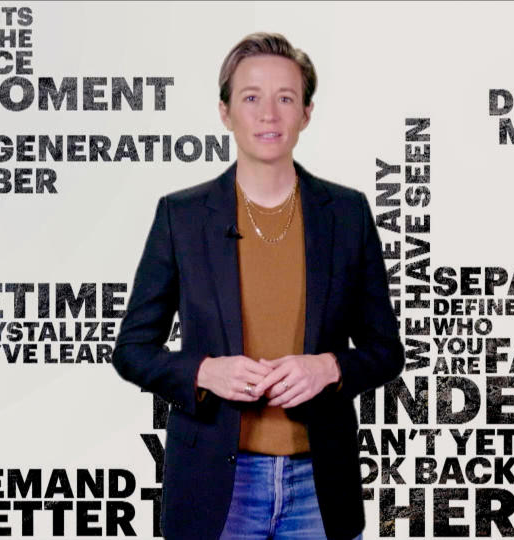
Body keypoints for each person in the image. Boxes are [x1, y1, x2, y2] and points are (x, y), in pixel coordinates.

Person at [112, 32, 404, 540]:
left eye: (285, 98)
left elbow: (386, 351)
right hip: (215, 487)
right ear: (225, 112)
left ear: (306, 113)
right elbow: (132, 350)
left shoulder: (349, 214)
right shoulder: (181, 216)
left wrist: (330, 367)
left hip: (320, 483)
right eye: (251, 98)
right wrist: (204, 371)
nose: (268, 115)